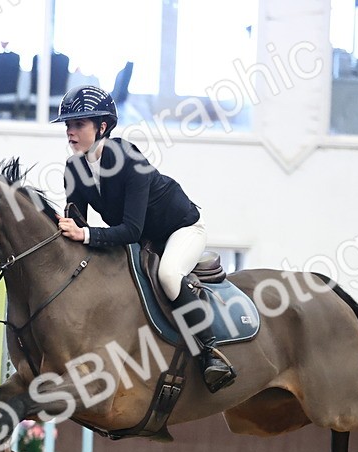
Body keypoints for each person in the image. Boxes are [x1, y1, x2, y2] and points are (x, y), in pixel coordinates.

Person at [52, 86, 236, 394]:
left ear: (103, 127)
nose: (70, 132)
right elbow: (77, 222)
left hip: (180, 229)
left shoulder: (128, 159)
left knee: (168, 275)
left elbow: (131, 230)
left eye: (79, 124)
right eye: (68, 125)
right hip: (144, 237)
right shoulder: (74, 168)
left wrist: (84, 234)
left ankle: (211, 353)